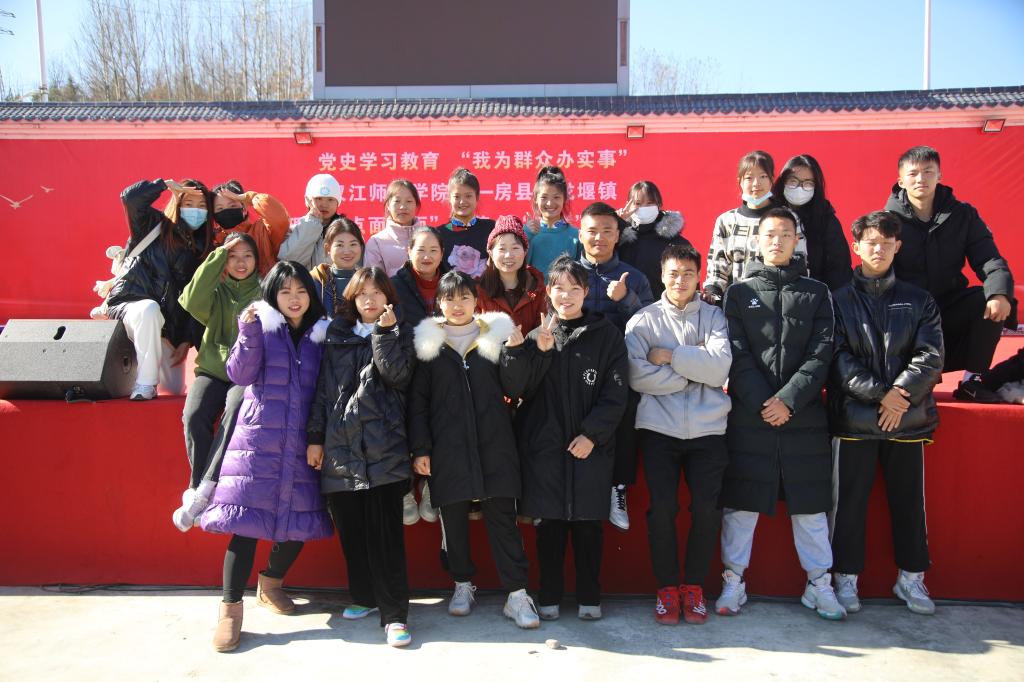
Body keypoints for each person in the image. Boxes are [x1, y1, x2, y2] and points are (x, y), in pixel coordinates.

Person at [717, 208, 844, 621]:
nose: (776, 241)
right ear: (757, 240)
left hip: (803, 417)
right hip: (750, 417)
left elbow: (822, 353)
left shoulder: (818, 292)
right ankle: (734, 581)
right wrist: (763, 402)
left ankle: (819, 584)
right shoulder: (738, 293)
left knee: (810, 507)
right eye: (769, 234)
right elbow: (736, 354)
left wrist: (788, 400)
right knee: (742, 505)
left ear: (796, 240)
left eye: (785, 234)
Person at [199, 261, 332, 653]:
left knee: (301, 522)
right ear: (273, 295)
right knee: (244, 525)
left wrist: (319, 437)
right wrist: (248, 332)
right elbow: (239, 374)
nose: (295, 298)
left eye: (301, 290)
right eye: (285, 291)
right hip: (259, 441)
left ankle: (270, 583)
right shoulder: (259, 328)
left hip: (303, 441)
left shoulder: (321, 334)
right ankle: (230, 611)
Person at [407, 271, 540, 629]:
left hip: (495, 444)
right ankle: (462, 585)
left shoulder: (495, 335)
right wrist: (421, 448)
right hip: (447, 448)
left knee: (503, 521)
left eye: (464, 297)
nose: (457, 305)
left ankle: (517, 595)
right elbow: (418, 403)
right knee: (453, 522)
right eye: (449, 298)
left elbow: (516, 387)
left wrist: (515, 352)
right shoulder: (429, 346)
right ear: (439, 303)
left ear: (475, 300)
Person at [829, 210, 944, 616]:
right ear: (856, 247)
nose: (878, 249)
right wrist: (883, 396)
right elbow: (837, 359)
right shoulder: (838, 301)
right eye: (870, 242)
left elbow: (930, 356)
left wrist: (899, 396)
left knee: (909, 504)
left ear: (898, 246)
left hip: (907, 421)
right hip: (855, 420)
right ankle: (845, 577)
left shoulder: (919, 300)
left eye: (886, 242)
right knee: (848, 505)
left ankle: (911, 577)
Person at [502, 256, 629, 621]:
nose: (566, 296)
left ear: (586, 292)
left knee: (589, 527)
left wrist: (592, 434)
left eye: (575, 289)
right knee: (549, 529)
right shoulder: (537, 336)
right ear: (548, 291)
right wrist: (532, 353)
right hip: (545, 452)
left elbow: (616, 394)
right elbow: (516, 389)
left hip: (591, 451)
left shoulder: (607, 336)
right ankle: (549, 597)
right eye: (559, 288)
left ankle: (590, 597)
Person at [306, 267, 416, 647]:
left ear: (389, 297)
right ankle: (365, 597)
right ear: (351, 299)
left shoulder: (402, 333)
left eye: (376, 292)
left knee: (386, 538)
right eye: (362, 293)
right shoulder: (336, 335)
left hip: (385, 448)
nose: (369, 299)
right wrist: (315, 438)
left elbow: (397, 376)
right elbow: (322, 392)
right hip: (341, 447)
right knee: (352, 531)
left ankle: (395, 615)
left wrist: (384, 334)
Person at [624, 243, 732, 625]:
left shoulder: (715, 317)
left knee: (706, 509)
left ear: (698, 276)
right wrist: (694, 366)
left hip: (709, 429)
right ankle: (667, 588)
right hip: (659, 428)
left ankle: (694, 587)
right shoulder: (642, 321)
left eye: (688, 273)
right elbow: (637, 376)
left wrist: (670, 357)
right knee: (663, 510)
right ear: (661, 275)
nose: (680, 280)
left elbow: (720, 370)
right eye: (673, 273)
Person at [883, 145, 1016, 402]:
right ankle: (909, 375)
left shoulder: (963, 215)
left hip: (948, 307)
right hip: (905, 313)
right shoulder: (886, 221)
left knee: (987, 299)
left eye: (928, 171)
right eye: (913, 174)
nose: (920, 179)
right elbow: (876, 274)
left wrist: (1000, 293)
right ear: (901, 181)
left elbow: (989, 258)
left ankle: (973, 380)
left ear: (939, 176)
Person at [173, 233, 262, 531]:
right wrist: (217, 256)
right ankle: (196, 488)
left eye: (247, 256)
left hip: (245, 374)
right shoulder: (217, 290)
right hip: (212, 369)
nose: (241, 262)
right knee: (194, 415)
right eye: (233, 257)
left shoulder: (264, 292)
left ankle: (207, 487)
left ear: (257, 259)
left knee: (235, 410)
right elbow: (191, 300)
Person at [577, 201, 654, 532]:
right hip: (575, 368)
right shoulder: (567, 272)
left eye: (607, 231)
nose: (599, 238)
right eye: (592, 231)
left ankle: (617, 488)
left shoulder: (634, 277)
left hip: (619, 369)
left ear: (618, 235)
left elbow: (651, 328)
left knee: (626, 412)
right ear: (580, 234)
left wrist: (626, 299)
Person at [104, 178, 212, 400]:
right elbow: (130, 199)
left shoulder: (204, 249)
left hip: (165, 329)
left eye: (202, 206)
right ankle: (146, 384)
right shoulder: (152, 225)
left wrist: (185, 339)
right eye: (189, 204)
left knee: (172, 389)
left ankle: (145, 367)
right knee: (149, 309)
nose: (195, 210)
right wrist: (163, 185)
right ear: (177, 203)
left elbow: (194, 298)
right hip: (132, 306)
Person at [703, 150, 808, 305]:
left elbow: (800, 263)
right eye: (749, 177)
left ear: (772, 179)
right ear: (740, 181)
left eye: (763, 176)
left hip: (780, 303)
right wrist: (713, 295)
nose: (756, 183)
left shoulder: (788, 218)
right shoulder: (726, 221)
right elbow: (717, 269)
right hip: (737, 305)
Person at [772, 155, 852, 290]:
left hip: (814, 295)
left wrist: (824, 298)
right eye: (793, 181)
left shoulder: (826, 220)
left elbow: (839, 269)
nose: (799, 188)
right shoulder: (769, 214)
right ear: (783, 181)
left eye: (808, 183)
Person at [616, 180, 690, 299]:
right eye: (638, 203)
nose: (643, 208)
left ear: (659, 205)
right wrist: (617, 224)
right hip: (625, 305)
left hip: (665, 307)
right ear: (628, 205)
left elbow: (689, 280)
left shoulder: (677, 243)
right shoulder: (619, 239)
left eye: (650, 203)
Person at [475, 215, 547, 334]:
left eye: (515, 248)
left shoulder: (537, 287)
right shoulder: (478, 291)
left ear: (525, 251)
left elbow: (542, 330)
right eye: (502, 249)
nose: (508, 255)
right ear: (491, 253)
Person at [209, 180, 290, 277]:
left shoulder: (263, 230)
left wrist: (250, 198)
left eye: (232, 205)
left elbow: (279, 218)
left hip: (267, 285)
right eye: (220, 209)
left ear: (243, 208)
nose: (226, 211)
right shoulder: (213, 242)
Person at [435, 167, 496, 276]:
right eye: (457, 197)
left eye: (468, 196)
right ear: (449, 198)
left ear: (477, 197)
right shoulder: (438, 234)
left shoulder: (491, 228)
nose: (462, 201)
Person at [278, 173, 344, 270]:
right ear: (308, 201)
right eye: (319, 198)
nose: (324, 204)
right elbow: (289, 264)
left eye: (330, 200)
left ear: (338, 202)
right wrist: (312, 224)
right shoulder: (293, 231)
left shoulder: (346, 231)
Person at [524, 166, 579, 279]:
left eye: (556, 197)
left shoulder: (576, 236)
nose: (550, 203)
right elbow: (518, 268)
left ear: (564, 199)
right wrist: (526, 235)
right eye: (544, 197)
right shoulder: (526, 233)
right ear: (535, 199)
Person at [391, 226, 449, 331]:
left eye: (433, 250)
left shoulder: (454, 284)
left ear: (442, 254)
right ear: (409, 251)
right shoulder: (393, 287)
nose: (427, 257)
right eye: (421, 250)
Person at [365, 179, 424, 277]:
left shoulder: (429, 238)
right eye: (397, 201)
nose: (403, 207)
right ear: (388, 205)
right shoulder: (376, 242)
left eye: (409, 201)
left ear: (416, 205)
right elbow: (374, 281)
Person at [311, 218, 364, 319]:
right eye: (340, 245)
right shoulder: (315, 281)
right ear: (328, 248)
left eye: (353, 244)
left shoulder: (368, 281)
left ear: (361, 247)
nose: (347, 251)